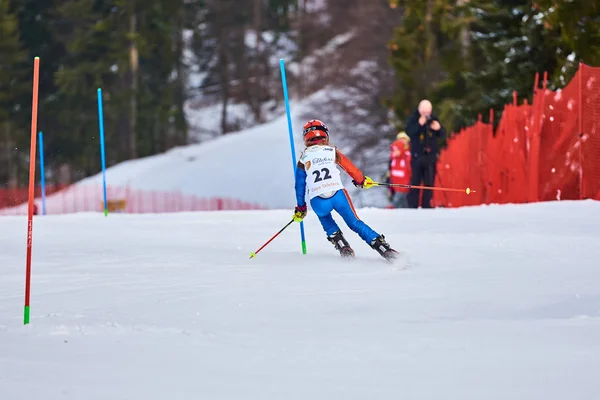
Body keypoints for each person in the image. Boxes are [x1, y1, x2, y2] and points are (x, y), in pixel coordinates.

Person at [292, 119, 397, 261]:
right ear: (325, 135)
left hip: (318, 200)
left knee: (325, 218)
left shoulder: (302, 160)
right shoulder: (332, 151)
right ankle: (382, 248)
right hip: (337, 195)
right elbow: (351, 169)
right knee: (354, 223)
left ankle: (342, 245)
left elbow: (299, 186)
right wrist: (361, 180)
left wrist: (301, 208)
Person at [405, 99, 446, 208]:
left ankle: (426, 206)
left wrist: (439, 128)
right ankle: (412, 206)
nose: (426, 114)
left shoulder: (433, 119)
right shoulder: (413, 118)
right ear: (420, 110)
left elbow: (442, 135)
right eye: (424, 112)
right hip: (417, 156)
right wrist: (419, 124)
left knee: (429, 183)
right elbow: (409, 132)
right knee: (415, 182)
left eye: (428, 112)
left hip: (430, 157)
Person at [388, 131, 412, 208]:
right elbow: (390, 166)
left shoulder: (407, 154)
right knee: (401, 197)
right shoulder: (393, 156)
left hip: (404, 180)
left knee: (402, 196)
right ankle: (401, 208)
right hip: (396, 180)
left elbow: (409, 167)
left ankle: (395, 206)